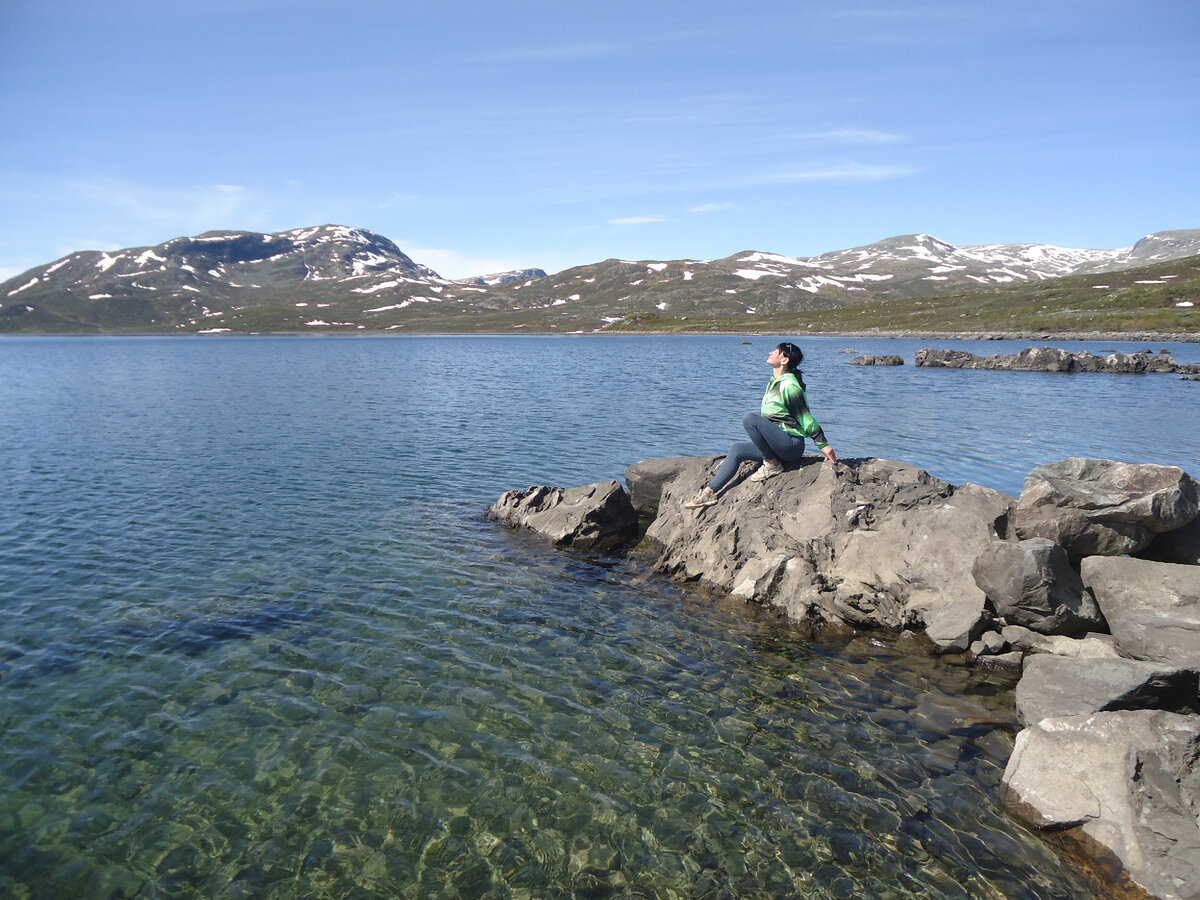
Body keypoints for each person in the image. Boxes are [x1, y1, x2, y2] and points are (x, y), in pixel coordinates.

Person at [684, 342, 837, 509]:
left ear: (784, 360)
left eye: (776, 351)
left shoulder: (789, 385)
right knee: (737, 449)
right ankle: (709, 493)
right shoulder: (776, 381)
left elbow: (805, 417)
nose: (771, 352)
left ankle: (772, 465)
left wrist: (823, 444)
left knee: (750, 419)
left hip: (790, 445)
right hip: (778, 444)